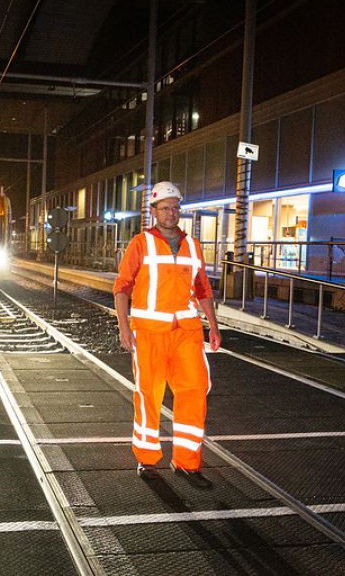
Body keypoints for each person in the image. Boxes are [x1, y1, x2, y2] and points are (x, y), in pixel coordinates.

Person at [113, 181, 222, 489]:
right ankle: (147, 459)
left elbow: (202, 289)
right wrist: (124, 328)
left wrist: (212, 325)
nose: (171, 213)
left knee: (195, 390)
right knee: (149, 396)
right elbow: (122, 288)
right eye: (165, 208)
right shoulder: (141, 243)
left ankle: (187, 462)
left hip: (186, 331)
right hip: (149, 333)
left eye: (175, 208)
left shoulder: (193, 245)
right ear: (154, 211)